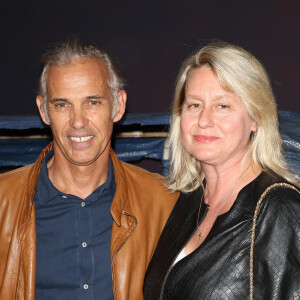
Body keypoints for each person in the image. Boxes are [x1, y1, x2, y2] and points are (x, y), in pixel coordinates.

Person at [0, 40, 178, 300]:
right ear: (43, 110)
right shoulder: (3, 203)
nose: (78, 121)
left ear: (118, 105)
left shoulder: (163, 202)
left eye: (93, 102)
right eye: (62, 104)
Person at [144, 42, 300, 299]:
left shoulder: (281, 209)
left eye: (222, 106)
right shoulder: (187, 201)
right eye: (194, 105)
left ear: (255, 118)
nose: (204, 120)